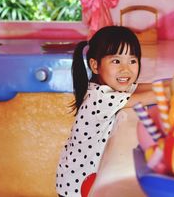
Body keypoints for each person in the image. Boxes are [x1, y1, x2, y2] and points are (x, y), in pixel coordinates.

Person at [56, 26, 158, 197]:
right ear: (95, 65)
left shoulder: (107, 87)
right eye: (116, 61)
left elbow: (144, 88)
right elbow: (149, 96)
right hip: (77, 185)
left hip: (77, 178)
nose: (126, 69)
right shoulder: (100, 98)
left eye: (132, 61)